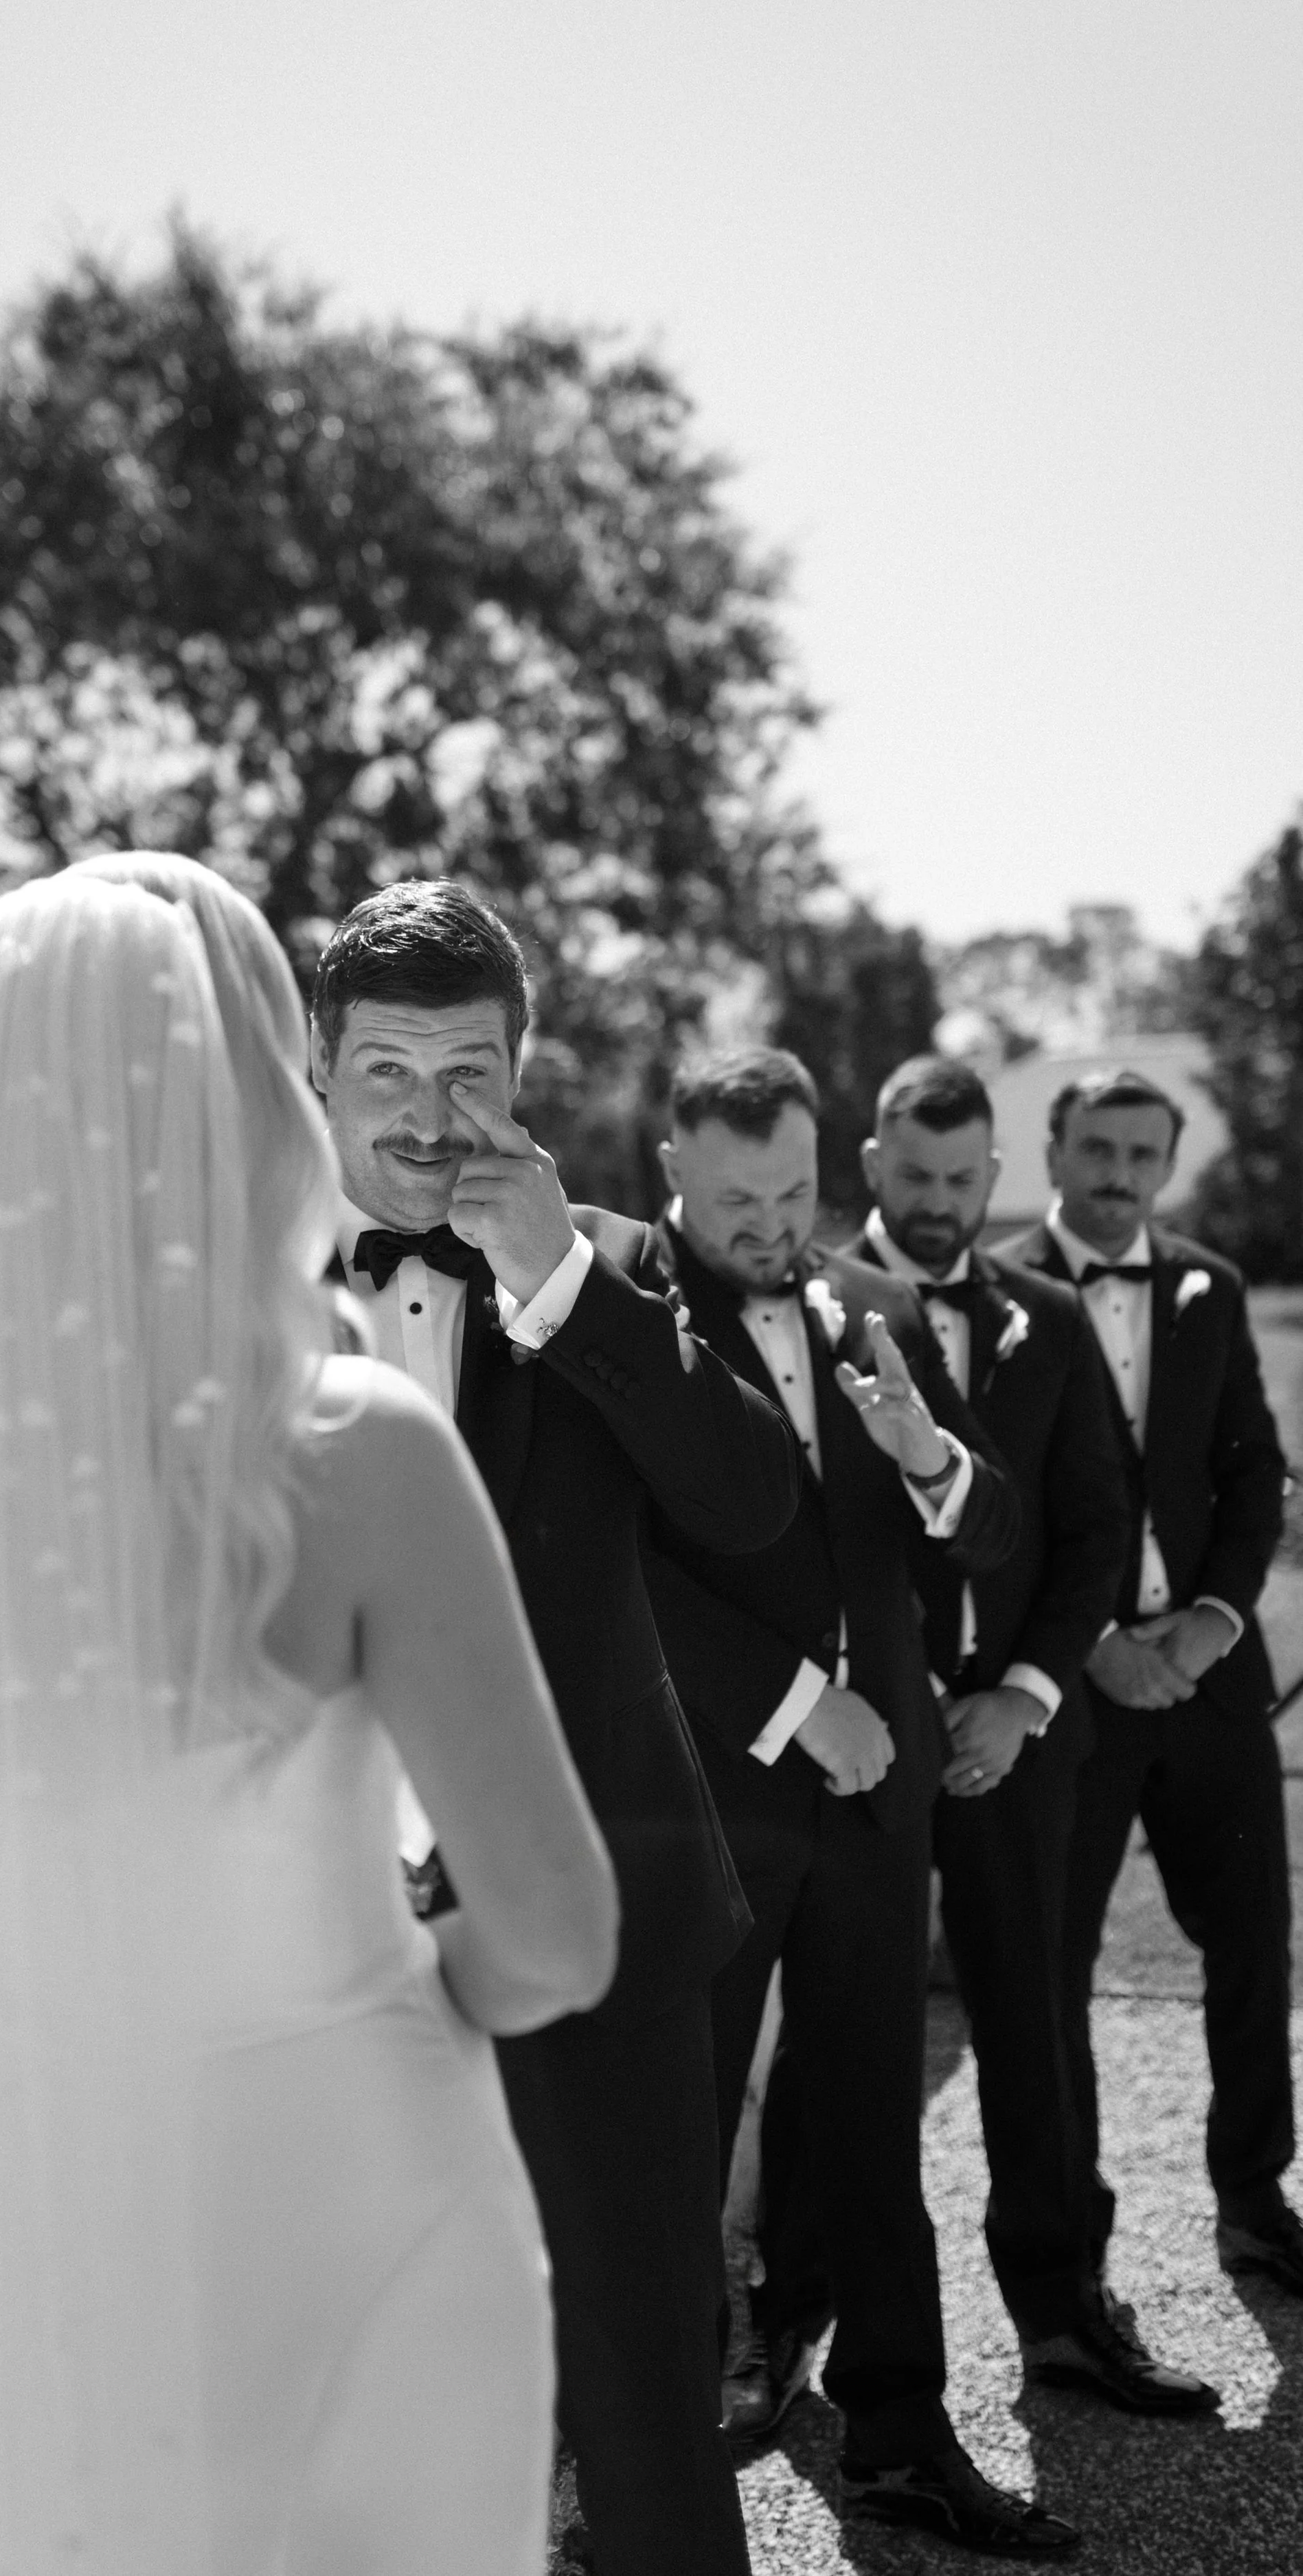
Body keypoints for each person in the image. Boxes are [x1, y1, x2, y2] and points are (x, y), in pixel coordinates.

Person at [0, 858, 621, 2576]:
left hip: (49, 2223)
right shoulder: (356, 1450)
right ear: (249, 1108)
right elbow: (558, 1936)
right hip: (362, 2192)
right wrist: (374, 1994)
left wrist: (67, 1958)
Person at [308, 879, 800, 2576]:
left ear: (522, 1078)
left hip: (599, 1931)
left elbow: (753, 1510)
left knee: (644, 2398)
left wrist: (564, 1290)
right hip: (308, 1949)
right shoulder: (219, 1282)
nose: (429, 1121)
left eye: (468, 1076)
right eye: (385, 1074)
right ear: (316, 1072)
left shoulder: (621, 1269)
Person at [639, 1046, 1080, 2560]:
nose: (773, 1227)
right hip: (715, 1798)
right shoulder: (624, 1323)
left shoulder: (879, 1313)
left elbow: (991, 1541)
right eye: (737, 1198)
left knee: (874, 2129)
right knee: (675, 2139)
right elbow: (620, 1580)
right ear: (673, 1176)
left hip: (878, 1796)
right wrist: (790, 1710)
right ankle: (641, 2473)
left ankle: (899, 2439)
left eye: (792, 1192)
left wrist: (930, 1457)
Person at [841, 1052, 1215, 2412]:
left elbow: (1093, 1531)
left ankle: (1061, 2315)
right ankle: (799, 2325)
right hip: (858, 1747)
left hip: (1014, 1735)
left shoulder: (1045, 1317)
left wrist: (1022, 1697)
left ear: (990, 1177)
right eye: (911, 1176)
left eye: (959, 1180)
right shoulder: (806, 1304)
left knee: (1033, 2024)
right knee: (845, 2040)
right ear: (869, 1164)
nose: (935, 1205)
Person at [1001, 1067, 1297, 2298]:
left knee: (1251, 1943)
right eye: (1100, 1148)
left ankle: (1252, 2195)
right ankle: (1077, 2233)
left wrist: (1214, 1624)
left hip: (1214, 1678)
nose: (1121, 1175)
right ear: (1056, 1149)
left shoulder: (1209, 1288)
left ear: (1167, 1165)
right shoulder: (999, 1295)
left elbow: (1254, 1472)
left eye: (1144, 1154)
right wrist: (1096, 1646)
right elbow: (996, 1510)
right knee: (1055, 1962)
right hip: (1069, 1690)